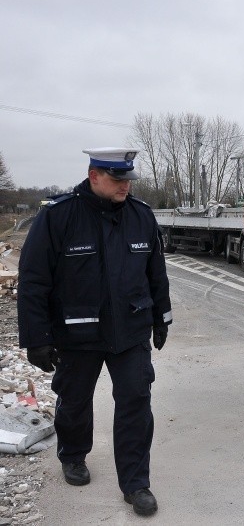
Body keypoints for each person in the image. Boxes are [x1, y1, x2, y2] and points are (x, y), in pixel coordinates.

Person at [17, 147, 172, 517]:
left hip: (130, 331)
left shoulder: (140, 216)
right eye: (118, 180)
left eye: (128, 180)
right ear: (94, 176)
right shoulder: (58, 216)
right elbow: (34, 281)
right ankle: (73, 455)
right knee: (74, 400)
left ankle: (136, 483)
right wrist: (36, 338)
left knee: (136, 401)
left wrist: (161, 318)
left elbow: (156, 272)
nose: (125, 187)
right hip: (77, 333)